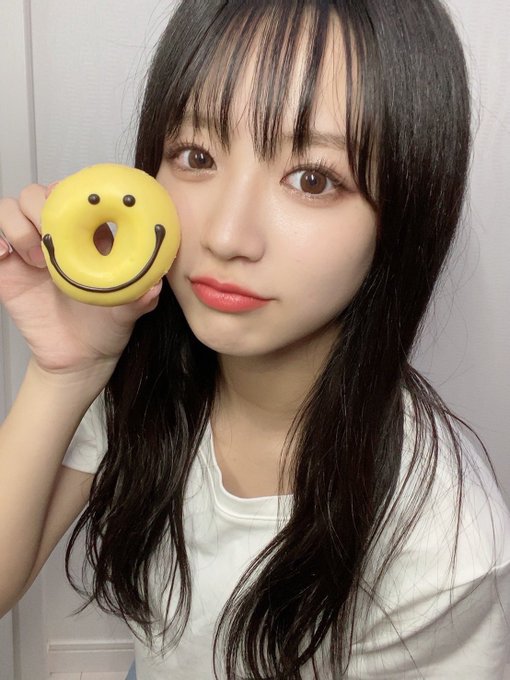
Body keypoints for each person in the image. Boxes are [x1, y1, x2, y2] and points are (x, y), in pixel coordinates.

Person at [0, 0, 509, 678]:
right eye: (196, 155)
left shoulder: (443, 543)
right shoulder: (140, 376)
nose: (225, 236)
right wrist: (65, 371)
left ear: (405, 210)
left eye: (313, 179)